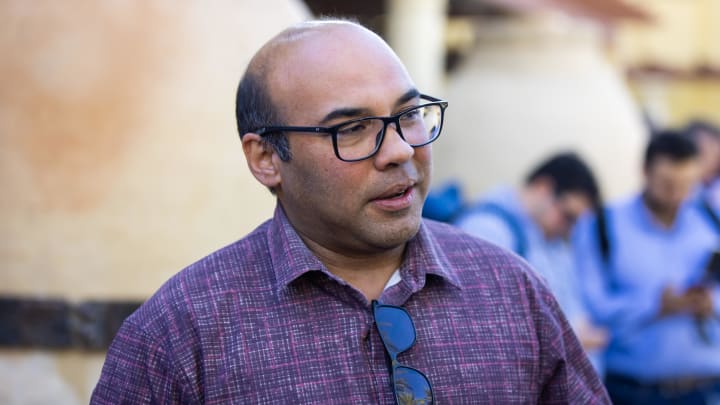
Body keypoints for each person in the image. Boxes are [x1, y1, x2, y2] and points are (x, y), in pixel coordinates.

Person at [91, 19, 609, 404]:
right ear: (267, 158)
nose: (401, 150)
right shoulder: (183, 334)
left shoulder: (513, 292)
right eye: (352, 129)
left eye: (408, 115)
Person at [572, 131, 720, 404]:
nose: (677, 194)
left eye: (686, 184)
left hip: (707, 388)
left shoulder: (712, 221)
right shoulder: (602, 224)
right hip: (631, 390)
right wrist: (655, 305)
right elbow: (591, 306)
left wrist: (709, 304)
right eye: (667, 183)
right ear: (644, 172)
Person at [454, 153, 609, 374]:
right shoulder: (487, 230)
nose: (570, 229)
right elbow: (479, 327)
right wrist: (568, 340)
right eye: (568, 216)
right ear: (543, 188)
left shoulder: (550, 241)